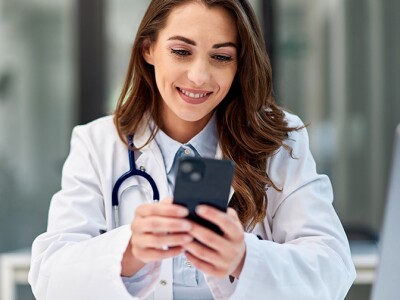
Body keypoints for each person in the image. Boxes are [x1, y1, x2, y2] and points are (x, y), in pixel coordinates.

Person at [28, 0, 356, 299]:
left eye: (221, 56)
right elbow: (49, 278)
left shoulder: (279, 141)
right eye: (182, 52)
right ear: (148, 49)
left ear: (239, 64)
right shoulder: (97, 143)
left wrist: (243, 258)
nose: (199, 76)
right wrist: (128, 251)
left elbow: (333, 269)